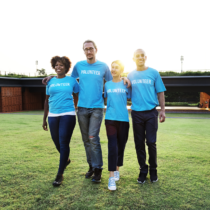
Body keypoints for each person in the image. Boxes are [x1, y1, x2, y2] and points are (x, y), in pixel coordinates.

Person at [42, 40, 130, 183]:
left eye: (91, 49)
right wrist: (52, 77)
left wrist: (125, 77)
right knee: (85, 140)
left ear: (96, 49)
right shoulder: (79, 66)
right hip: (82, 108)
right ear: (84, 51)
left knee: (92, 137)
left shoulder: (103, 66)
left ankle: (98, 169)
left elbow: (114, 80)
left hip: (97, 108)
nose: (88, 51)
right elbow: (67, 80)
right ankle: (91, 166)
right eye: (86, 49)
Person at [127, 49, 166, 184]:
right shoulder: (130, 75)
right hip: (136, 113)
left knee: (151, 142)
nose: (140, 58)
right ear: (133, 59)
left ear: (145, 57)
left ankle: (153, 170)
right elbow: (126, 91)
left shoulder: (154, 73)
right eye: (137, 56)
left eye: (142, 56)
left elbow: (160, 92)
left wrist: (162, 110)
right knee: (139, 144)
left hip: (151, 113)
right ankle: (143, 170)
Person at [42, 56, 79, 186]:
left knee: (63, 142)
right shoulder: (50, 82)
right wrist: (44, 119)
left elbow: (78, 94)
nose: (59, 67)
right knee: (56, 142)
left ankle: (60, 174)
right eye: (57, 65)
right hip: (52, 115)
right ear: (54, 66)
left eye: (61, 65)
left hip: (68, 114)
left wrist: (76, 107)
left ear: (66, 67)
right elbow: (47, 100)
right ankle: (66, 160)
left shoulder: (72, 81)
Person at [104, 60, 131, 191]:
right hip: (110, 119)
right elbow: (105, 98)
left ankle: (117, 168)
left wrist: (126, 79)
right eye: (112, 67)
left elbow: (132, 97)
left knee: (121, 146)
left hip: (124, 120)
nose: (113, 69)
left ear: (121, 70)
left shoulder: (126, 83)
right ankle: (111, 177)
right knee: (112, 146)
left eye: (116, 68)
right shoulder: (107, 85)